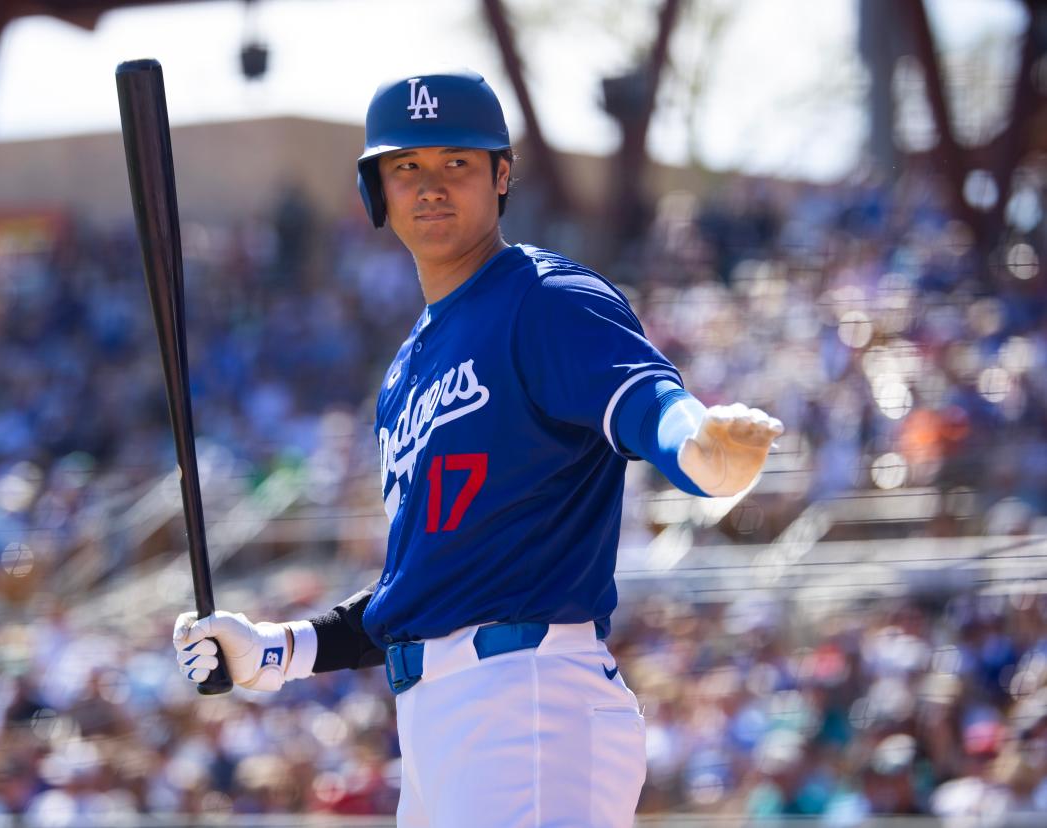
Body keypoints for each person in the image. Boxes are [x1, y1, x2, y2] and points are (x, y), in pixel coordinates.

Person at [174, 69, 783, 827]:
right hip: (439, 722)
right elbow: (428, 585)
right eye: (407, 168)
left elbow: (650, 402)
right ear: (377, 193)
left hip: (528, 698)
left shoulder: (543, 296)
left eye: (455, 163)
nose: (430, 186)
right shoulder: (406, 369)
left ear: (501, 176)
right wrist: (280, 648)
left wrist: (694, 445)